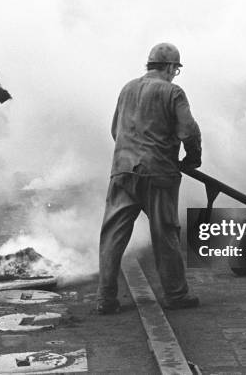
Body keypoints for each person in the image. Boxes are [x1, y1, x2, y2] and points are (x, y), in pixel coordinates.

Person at [96, 43, 202, 314]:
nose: (174, 74)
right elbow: (188, 129)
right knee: (165, 233)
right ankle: (176, 294)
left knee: (112, 235)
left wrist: (131, 150)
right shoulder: (172, 91)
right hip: (158, 173)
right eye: (175, 70)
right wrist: (192, 158)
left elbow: (114, 130)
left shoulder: (127, 89)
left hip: (122, 171)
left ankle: (106, 298)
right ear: (169, 67)